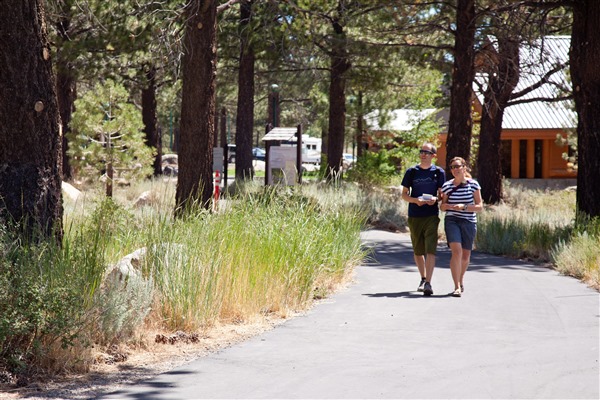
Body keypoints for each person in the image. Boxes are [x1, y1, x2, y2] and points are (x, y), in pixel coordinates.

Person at [401, 143, 446, 296]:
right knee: (418, 250)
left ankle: (428, 283)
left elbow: (442, 194)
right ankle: (423, 277)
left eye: (427, 152)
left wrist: (435, 199)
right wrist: (415, 201)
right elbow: (404, 194)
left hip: (432, 215)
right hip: (414, 215)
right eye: (421, 152)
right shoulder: (412, 171)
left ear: (433, 155)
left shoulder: (439, 172)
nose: (423, 154)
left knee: (430, 250)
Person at [440, 157, 483, 297]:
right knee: (456, 252)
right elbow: (442, 206)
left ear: (464, 168)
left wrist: (464, 207)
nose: (455, 169)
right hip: (452, 220)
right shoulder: (447, 186)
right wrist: (445, 206)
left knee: (465, 256)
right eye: (452, 167)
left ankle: (461, 279)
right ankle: (456, 286)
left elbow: (479, 207)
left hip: (469, 221)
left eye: (458, 166)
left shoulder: (473, 185)